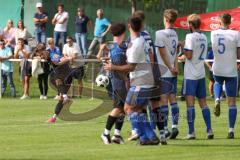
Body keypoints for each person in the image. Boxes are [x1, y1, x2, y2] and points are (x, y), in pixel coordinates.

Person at [104, 17, 159, 145]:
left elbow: (131, 66)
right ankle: (145, 139)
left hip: (141, 81)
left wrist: (113, 67)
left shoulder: (136, 43)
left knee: (128, 108)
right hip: (144, 79)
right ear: (141, 26)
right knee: (138, 109)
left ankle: (152, 136)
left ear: (129, 26)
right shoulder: (139, 40)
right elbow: (149, 55)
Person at [182, 14, 214, 140]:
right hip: (200, 73)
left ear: (190, 24)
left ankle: (191, 132)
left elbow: (189, 55)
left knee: (190, 104)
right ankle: (209, 130)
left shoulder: (189, 36)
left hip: (190, 75)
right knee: (203, 104)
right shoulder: (204, 37)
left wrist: (182, 48)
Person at [98, 23, 128, 144]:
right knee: (118, 108)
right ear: (123, 33)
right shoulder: (118, 49)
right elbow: (117, 67)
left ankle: (116, 134)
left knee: (122, 109)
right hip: (119, 82)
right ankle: (105, 133)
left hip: (119, 81)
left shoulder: (115, 46)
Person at [211, 13, 240, 139]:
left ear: (220, 21)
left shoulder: (213, 33)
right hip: (231, 69)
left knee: (217, 83)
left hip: (218, 66)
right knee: (232, 102)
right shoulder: (236, 34)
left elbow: (213, 49)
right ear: (230, 22)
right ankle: (231, 130)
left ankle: (217, 99)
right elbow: (239, 53)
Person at [155, 9, 180, 139]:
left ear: (165, 19)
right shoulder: (175, 34)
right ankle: (175, 126)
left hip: (164, 71)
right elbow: (175, 53)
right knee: (173, 100)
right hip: (172, 71)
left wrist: (170, 67)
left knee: (164, 101)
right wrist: (176, 67)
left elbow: (162, 53)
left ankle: (164, 128)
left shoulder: (159, 33)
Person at [47, 40, 72, 123]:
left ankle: (65, 96)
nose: (51, 45)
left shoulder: (56, 54)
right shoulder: (51, 54)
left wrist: (61, 61)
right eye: (49, 44)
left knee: (57, 80)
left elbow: (61, 61)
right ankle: (54, 118)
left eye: (52, 43)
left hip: (65, 75)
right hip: (65, 75)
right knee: (61, 98)